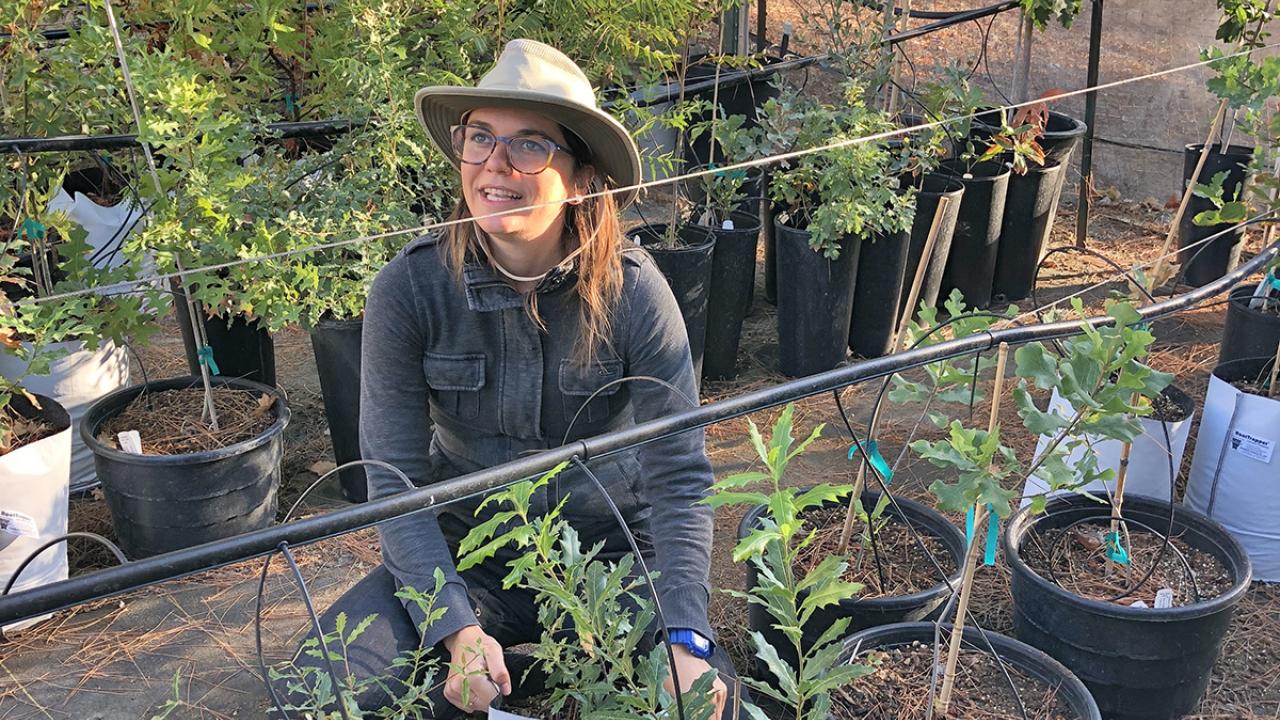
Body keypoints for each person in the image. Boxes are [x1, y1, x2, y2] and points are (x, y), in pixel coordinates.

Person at [281, 39, 742, 718]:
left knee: (703, 707)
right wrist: (455, 628)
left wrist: (684, 635)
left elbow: (679, 477)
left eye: (529, 144)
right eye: (481, 138)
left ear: (581, 178)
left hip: (613, 557)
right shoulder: (410, 290)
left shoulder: (635, 294)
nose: (495, 163)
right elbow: (395, 483)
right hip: (468, 552)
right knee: (317, 698)